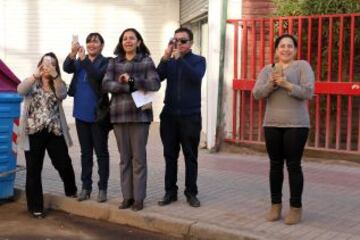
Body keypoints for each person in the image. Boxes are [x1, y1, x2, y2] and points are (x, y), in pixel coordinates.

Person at [252, 34, 315, 225]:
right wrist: (271, 84)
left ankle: (296, 207)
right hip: (272, 124)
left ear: (295, 50)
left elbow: (308, 92)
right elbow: (256, 93)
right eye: (282, 46)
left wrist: (286, 84)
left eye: (289, 46)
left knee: (293, 166)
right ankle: (275, 205)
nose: (286, 49)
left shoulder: (302, 66)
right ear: (276, 50)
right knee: (275, 165)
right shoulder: (268, 69)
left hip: (296, 125)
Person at [102, 28, 160, 211]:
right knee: (124, 159)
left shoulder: (146, 60)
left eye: (131, 38)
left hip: (140, 116)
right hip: (119, 116)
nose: (128, 41)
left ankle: (139, 198)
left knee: (139, 159)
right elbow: (105, 84)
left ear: (138, 42)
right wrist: (126, 86)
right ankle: (127, 196)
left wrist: (133, 80)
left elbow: (155, 83)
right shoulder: (114, 62)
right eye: (124, 38)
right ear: (121, 42)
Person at [17, 52, 77, 218]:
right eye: (44, 63)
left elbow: (62, 94)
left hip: (54, 131)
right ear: (39, 65)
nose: (47, 67)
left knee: (63, 162)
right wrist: (35, 75)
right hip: (33, 132)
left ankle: (71, 189)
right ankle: (36, 207)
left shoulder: (58, 83)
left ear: (55, 66)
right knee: (34, 170)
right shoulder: (32, 83)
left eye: (51, 64)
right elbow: (20, 90)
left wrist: (55, 75)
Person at [157, 27, 206, 208]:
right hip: (169, 116)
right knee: (170, 155)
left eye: (183, 41)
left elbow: (196, 77)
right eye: (175, 40)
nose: (178, 44)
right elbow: (156, 78)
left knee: (190, 156)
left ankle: (191, 192)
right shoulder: (169, 62)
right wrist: (165, 58)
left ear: (191, 43)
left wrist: (180, 60)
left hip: (190, 116)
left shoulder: (199, 60)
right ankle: (170, 192)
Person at [63, 33, 110, 203]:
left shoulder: (107, 62)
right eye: (89, 41)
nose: (91, 44)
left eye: (95, 41)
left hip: (98, 115)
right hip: (81, 113)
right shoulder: (79, 61)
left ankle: (102, 188)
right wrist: (72, 53)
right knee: (85, 153)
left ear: (102, 45)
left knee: (101, 153)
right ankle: (86, 187)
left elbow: (97, 76)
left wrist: (83, 61)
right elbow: (66, 67)